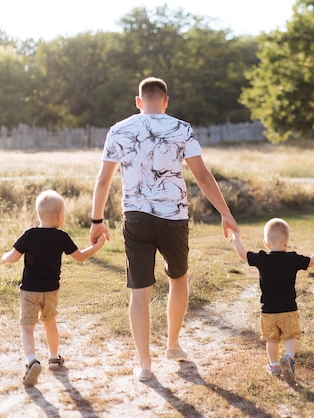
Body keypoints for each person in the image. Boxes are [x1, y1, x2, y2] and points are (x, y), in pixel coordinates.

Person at [89, 76, 239, 382]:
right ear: (166, 101)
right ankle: (172, 344)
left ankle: (145, 366)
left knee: (139, 292)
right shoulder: (182, 129)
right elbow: (203, 176)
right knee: (178, 280)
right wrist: (226, 213)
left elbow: (103, 180)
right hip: (174, 218)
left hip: (137, 219)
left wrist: (96, 220)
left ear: (139, 101)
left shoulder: (119, 130)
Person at [1, 190, 106, 386]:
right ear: (59, 216)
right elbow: (81, 256)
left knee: (27, 327)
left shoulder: (29, 235)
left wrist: (4, 259)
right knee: (50, 323)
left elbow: (13, 257)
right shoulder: (61, 237)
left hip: (29, 291)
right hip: (51, 291)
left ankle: (32, 360)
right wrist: (97, 247)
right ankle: (54, 357)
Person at [230, 218, 314, 383]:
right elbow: (313, 261)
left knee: (272, 339)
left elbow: (243, 254)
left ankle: (274, 365)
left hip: (268, 312)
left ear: (266, 243)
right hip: (289, 310)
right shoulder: (292, 259)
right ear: (286, 242)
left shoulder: (262, 258)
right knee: (291, 336)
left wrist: (236, 239)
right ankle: (288, 356)